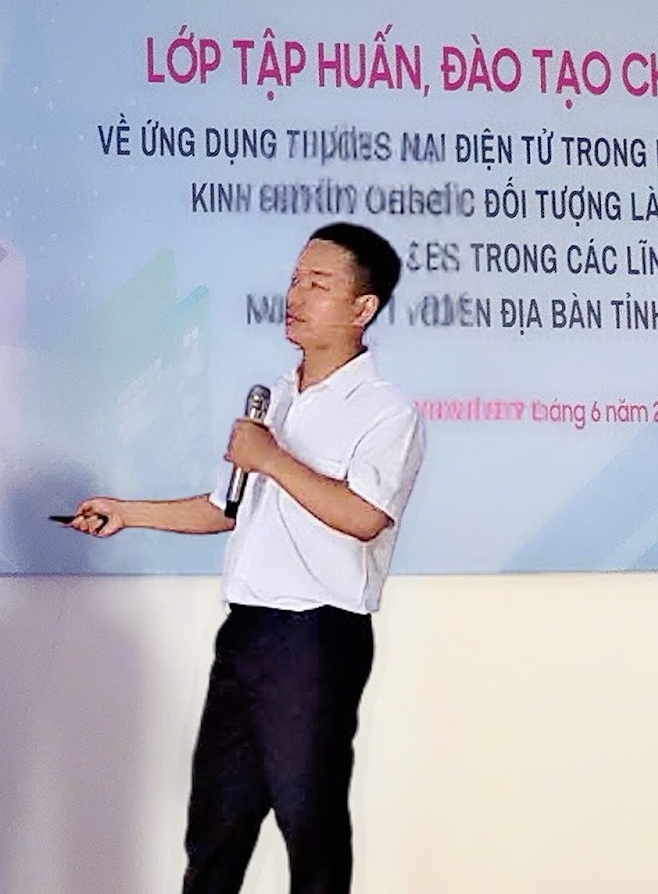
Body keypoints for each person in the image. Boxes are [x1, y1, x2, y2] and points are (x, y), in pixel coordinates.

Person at [65, 223, 426, 893]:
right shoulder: (277, 398)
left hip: (317, 639)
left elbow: (363, 517)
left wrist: (271, 458)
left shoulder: (386, 411)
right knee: (216, 826)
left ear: (362, 307)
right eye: (295, 279)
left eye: (318, 283)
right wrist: (128, 511)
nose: (296, 295)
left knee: (309, 828)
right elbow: (226, 506)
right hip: (247, 632)